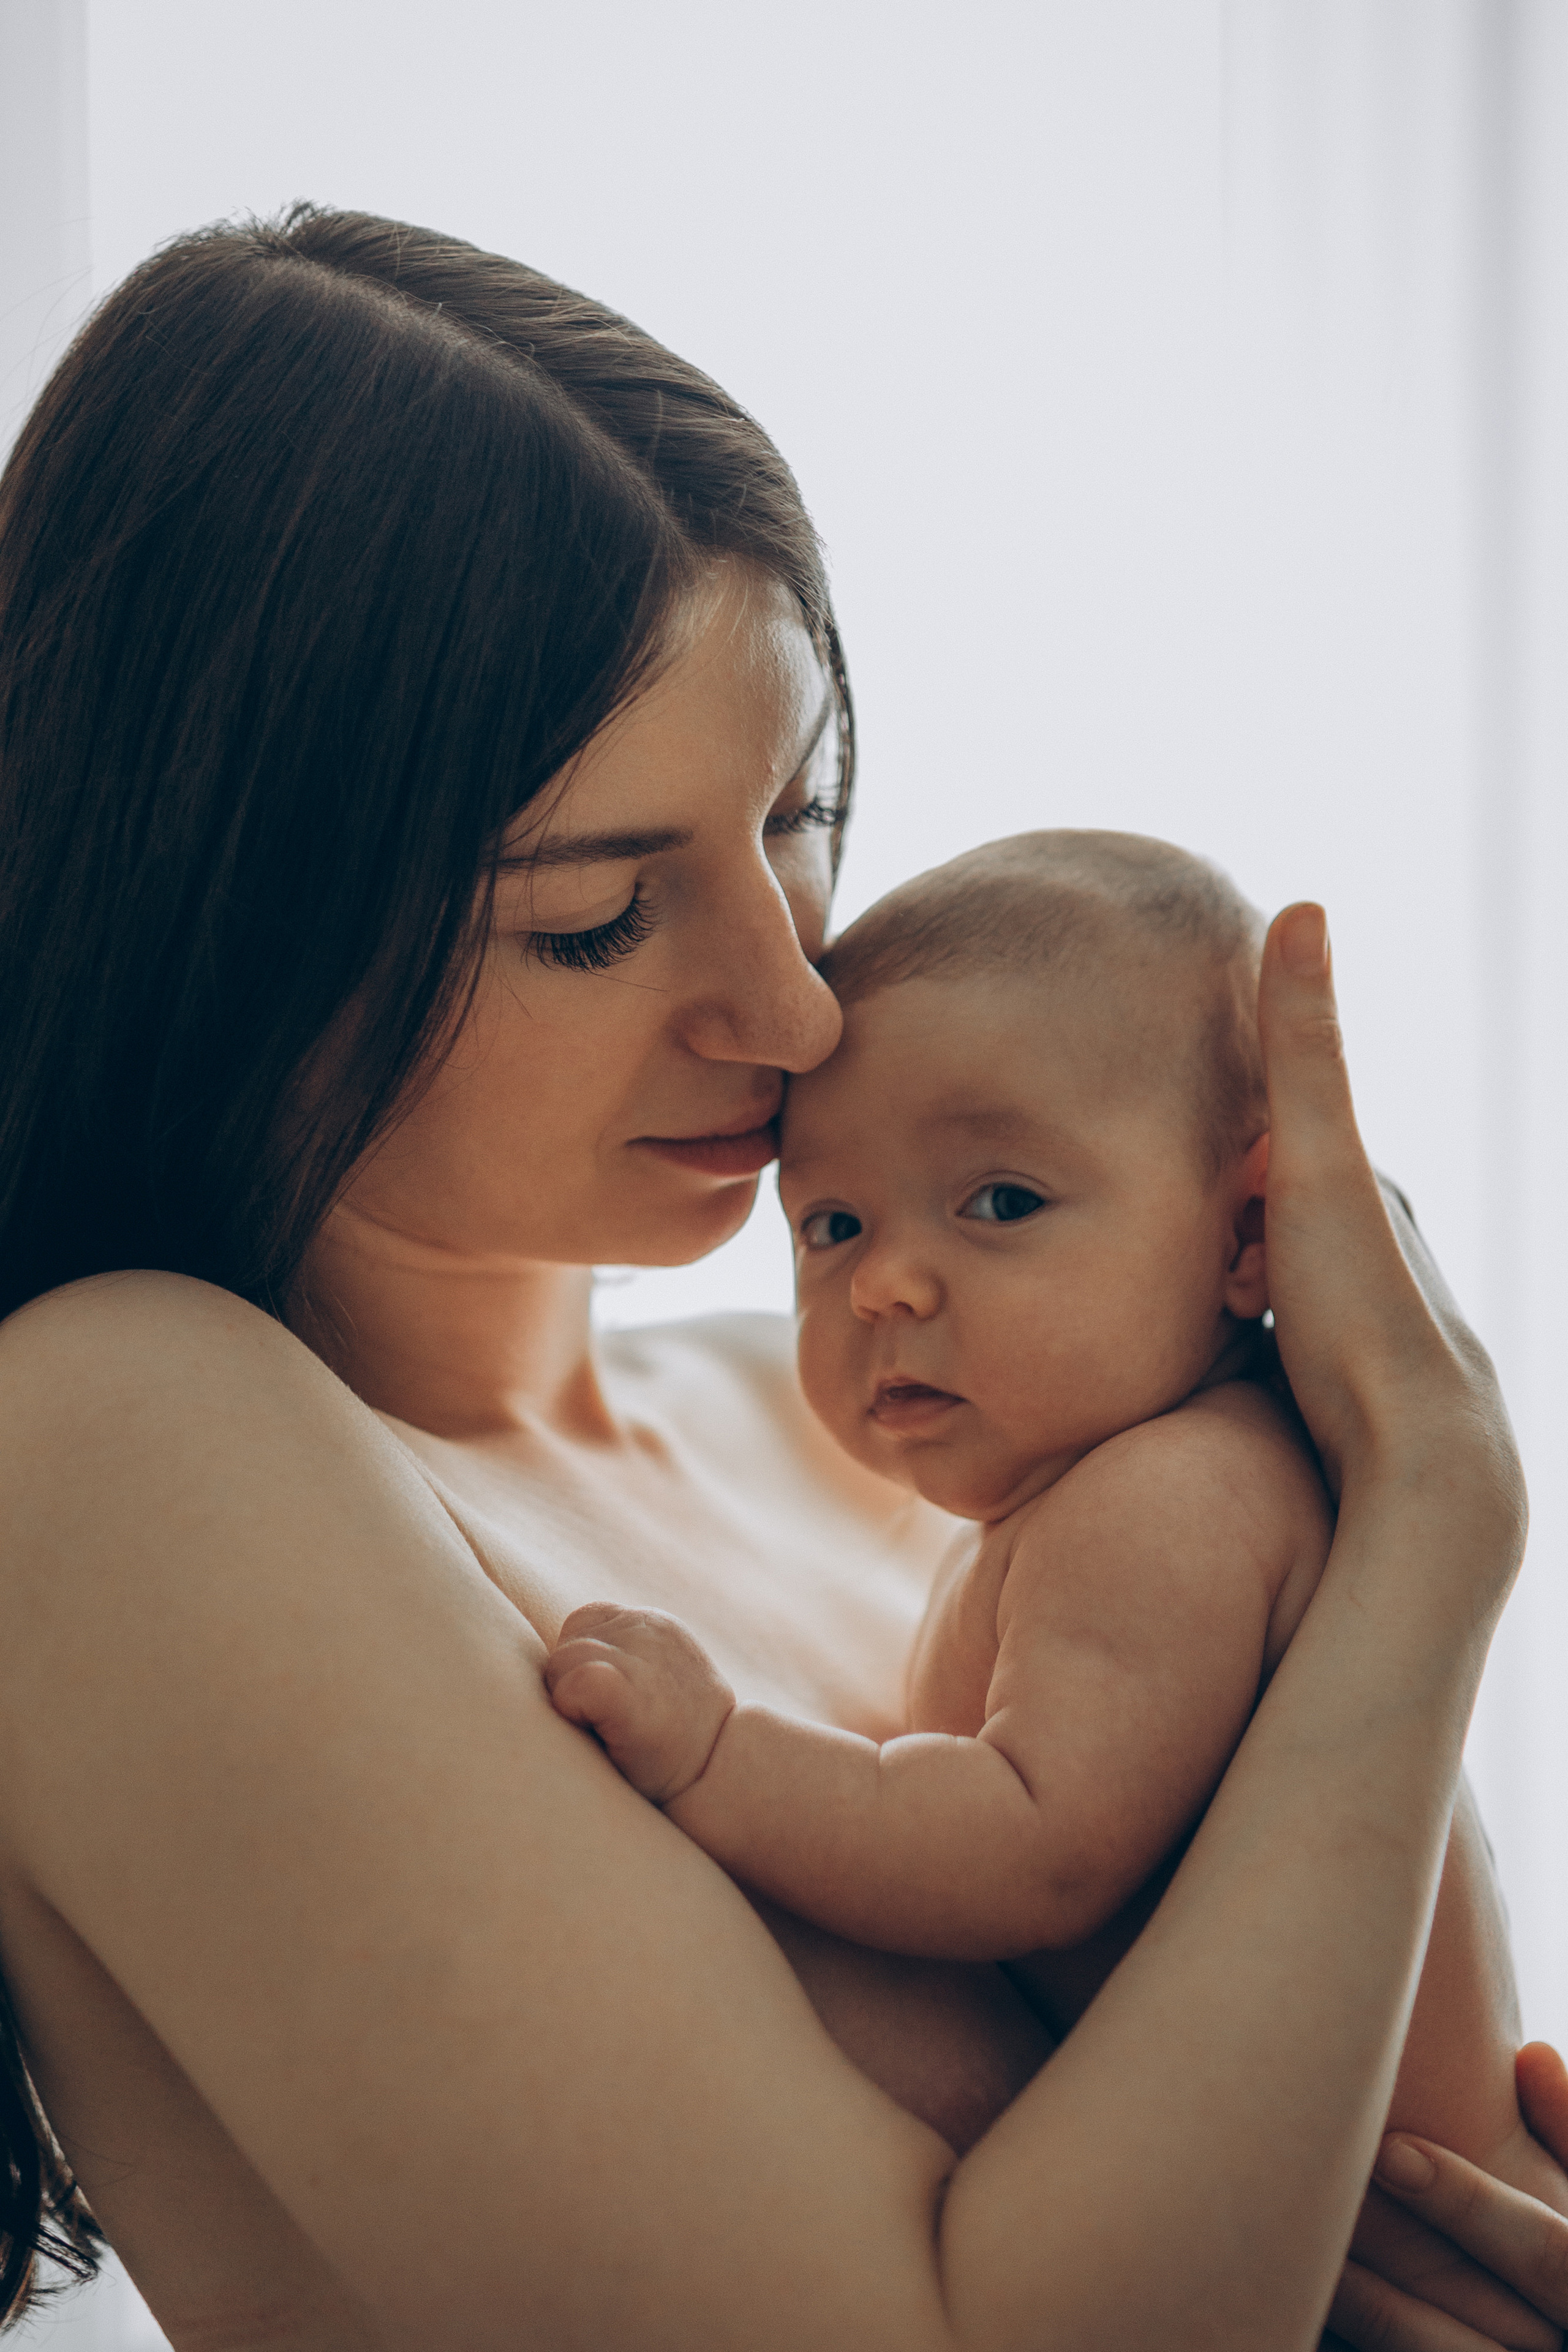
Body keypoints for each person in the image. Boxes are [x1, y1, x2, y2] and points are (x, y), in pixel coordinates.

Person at [0, 205, 1563, 2351]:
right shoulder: (112, 1441)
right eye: (591, 919)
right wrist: (1429, 1545)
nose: (802, 1006)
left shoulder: (869, 1412)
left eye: (800, 812)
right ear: (235, 913)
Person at [546, 827, 1568, 2237]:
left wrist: (724, 1753)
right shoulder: (1103, 1488)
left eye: (1002, 1202)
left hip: (1400, 2265)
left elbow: (1032, 1848)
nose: (884, 1286)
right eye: (830, 1223)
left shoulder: (1174, 1496)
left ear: (1246, 1239)